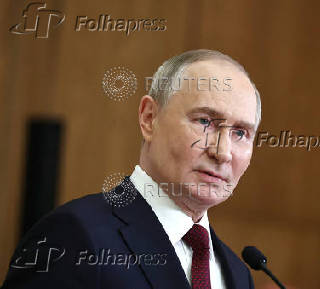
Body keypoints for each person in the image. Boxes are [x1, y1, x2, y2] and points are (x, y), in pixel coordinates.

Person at [2, 49, 261, 289]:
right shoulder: (74, 237)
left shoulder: (238, 274)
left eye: (240, 132)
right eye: (205, 121)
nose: (222, 152)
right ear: (149, 118)